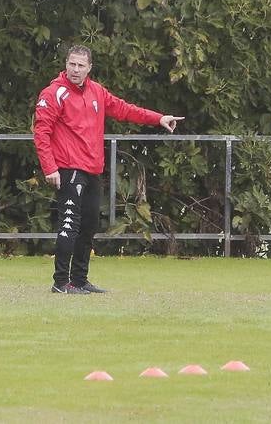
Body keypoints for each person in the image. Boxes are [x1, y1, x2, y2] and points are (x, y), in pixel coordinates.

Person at [32, 45, 183, 294]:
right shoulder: (53, 93)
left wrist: (158, 118)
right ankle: (60, 283)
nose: (75, 70)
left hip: (93, 170)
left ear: (89, 67)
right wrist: (50, 167)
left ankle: (79, 280)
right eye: (72, 64)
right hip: (69, 169)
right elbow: (41, 132)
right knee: (69, 224)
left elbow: (125, 110)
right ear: (66, 64)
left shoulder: (97, 92)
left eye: (81, 65)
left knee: (89, 225)